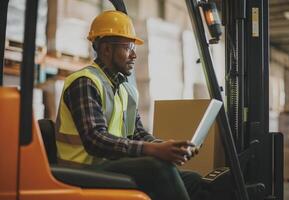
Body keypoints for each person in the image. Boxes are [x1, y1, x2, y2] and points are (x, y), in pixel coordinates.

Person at [55, 10, 210, 200]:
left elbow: (137, 133)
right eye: (128, 47)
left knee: (193, 180)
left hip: (108, 166)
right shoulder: (85, 82)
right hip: (81, 171)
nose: (134, 55)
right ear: (106, 50)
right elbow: (95, 140)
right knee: (157, 168)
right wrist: (153, 151)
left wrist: (167, 147)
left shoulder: (125, 90)